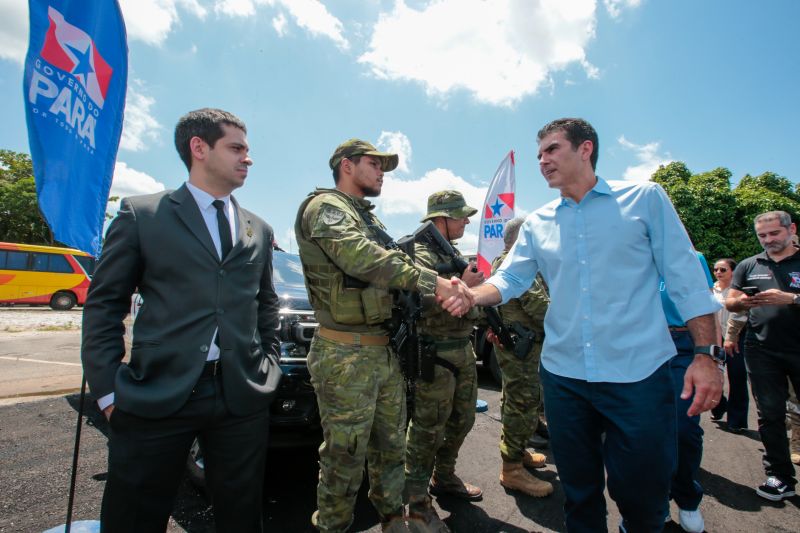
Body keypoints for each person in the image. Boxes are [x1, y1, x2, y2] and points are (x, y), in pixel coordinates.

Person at [443, 118, 722, 532]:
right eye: (539, 154)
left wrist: (705, 355)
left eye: (552, 149)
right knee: (579, 491)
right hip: (564, 377)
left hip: (639, 375)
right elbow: (511, 279)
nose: (543, 160)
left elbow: (686, 279)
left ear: (585, 149)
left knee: (643, 493)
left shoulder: (644, 200)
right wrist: (471, 294)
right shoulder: (538, 222)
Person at [81, 108, 282, 532]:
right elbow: (104, 305)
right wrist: (106, 392)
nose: (248, 158)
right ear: (199, 148)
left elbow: (265, 305)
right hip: (157, 391)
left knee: (242, 514)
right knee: (134, 513)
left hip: (241, 394)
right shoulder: (143, 215)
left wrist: (270, 365)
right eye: (237, 148)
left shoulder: (258, 229)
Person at [294, 139, 473, 533]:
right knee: (344, 456)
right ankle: (334, 527)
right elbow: (361, 257)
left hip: (382, 350)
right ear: (346, 165)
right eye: (374, 165)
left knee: (391, 449)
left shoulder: (367, 218)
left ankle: (394, 520)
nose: (381, 173)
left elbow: (395, 265)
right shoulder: (325, 208)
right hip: (344, 353)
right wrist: (435, 281)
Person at [404, 190, 484, 532]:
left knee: (463, 418)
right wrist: (461, 286)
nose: (467, 220)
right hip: (433, 352)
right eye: (461, 215)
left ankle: (444, 475)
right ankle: (417, 500)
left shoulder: (450, 251)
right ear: (441, 218)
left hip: (461, 347)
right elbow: (413, 300)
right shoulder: (415, 251)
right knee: (426, 429)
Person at [725, 210, 800, 501]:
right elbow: (730, 302)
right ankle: (780, 477)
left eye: (774, 234)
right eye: (762, 236)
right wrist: (740, 301)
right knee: (769, 414)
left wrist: (792, 298)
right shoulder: (748, 265)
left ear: (791, 229)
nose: (768, 240)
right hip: (761, 349)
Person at [489, 217, 554, 499]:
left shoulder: (514, 261)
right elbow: (538, 305)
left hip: (523, 346)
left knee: (519, 399)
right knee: (522, 401)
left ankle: (516, 453)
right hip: (521, 348)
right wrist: (568, 324)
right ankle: (512, 469)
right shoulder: (513, 263)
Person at [658, 253, 715, 533]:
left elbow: (705, 306)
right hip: (640, 345)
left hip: (682, 344)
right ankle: (652, 503)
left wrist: (711, 358)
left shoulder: (692, 258)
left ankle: (687, 499)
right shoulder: (625, 254)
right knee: (640, 432)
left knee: (684, 429)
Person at [710, 257, 750, 431]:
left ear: (733, 271)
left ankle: (737, 421)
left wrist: (731, 337)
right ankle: (719, 405)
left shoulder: (739, 290)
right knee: (712, 377)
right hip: (715, 339)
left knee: (737, 378)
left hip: (735, 339)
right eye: (716, 269)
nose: (718, 272)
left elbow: (741, 314)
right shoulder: (711, 289)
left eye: (723, 269)